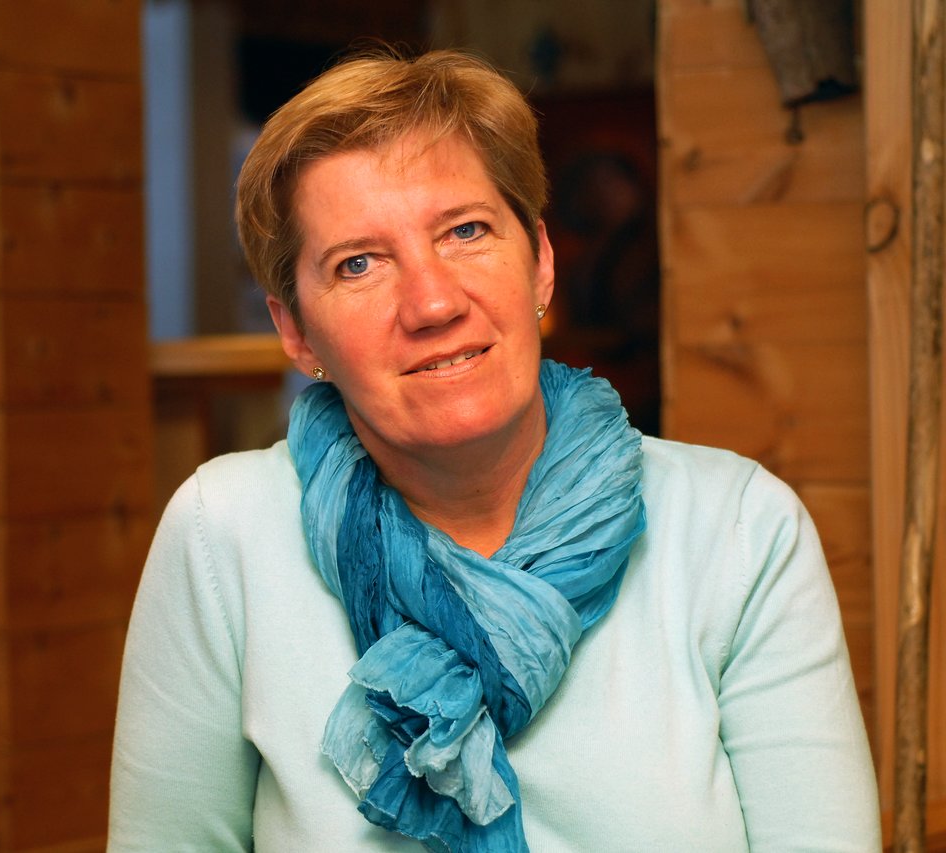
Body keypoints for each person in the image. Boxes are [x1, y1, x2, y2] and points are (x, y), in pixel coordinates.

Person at [108, 48, 880, 852]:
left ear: (540, 264)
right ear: (297, 331)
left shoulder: (740, 531)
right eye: (359, 263)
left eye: (466, 230)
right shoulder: (222, 534)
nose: (433, 301)